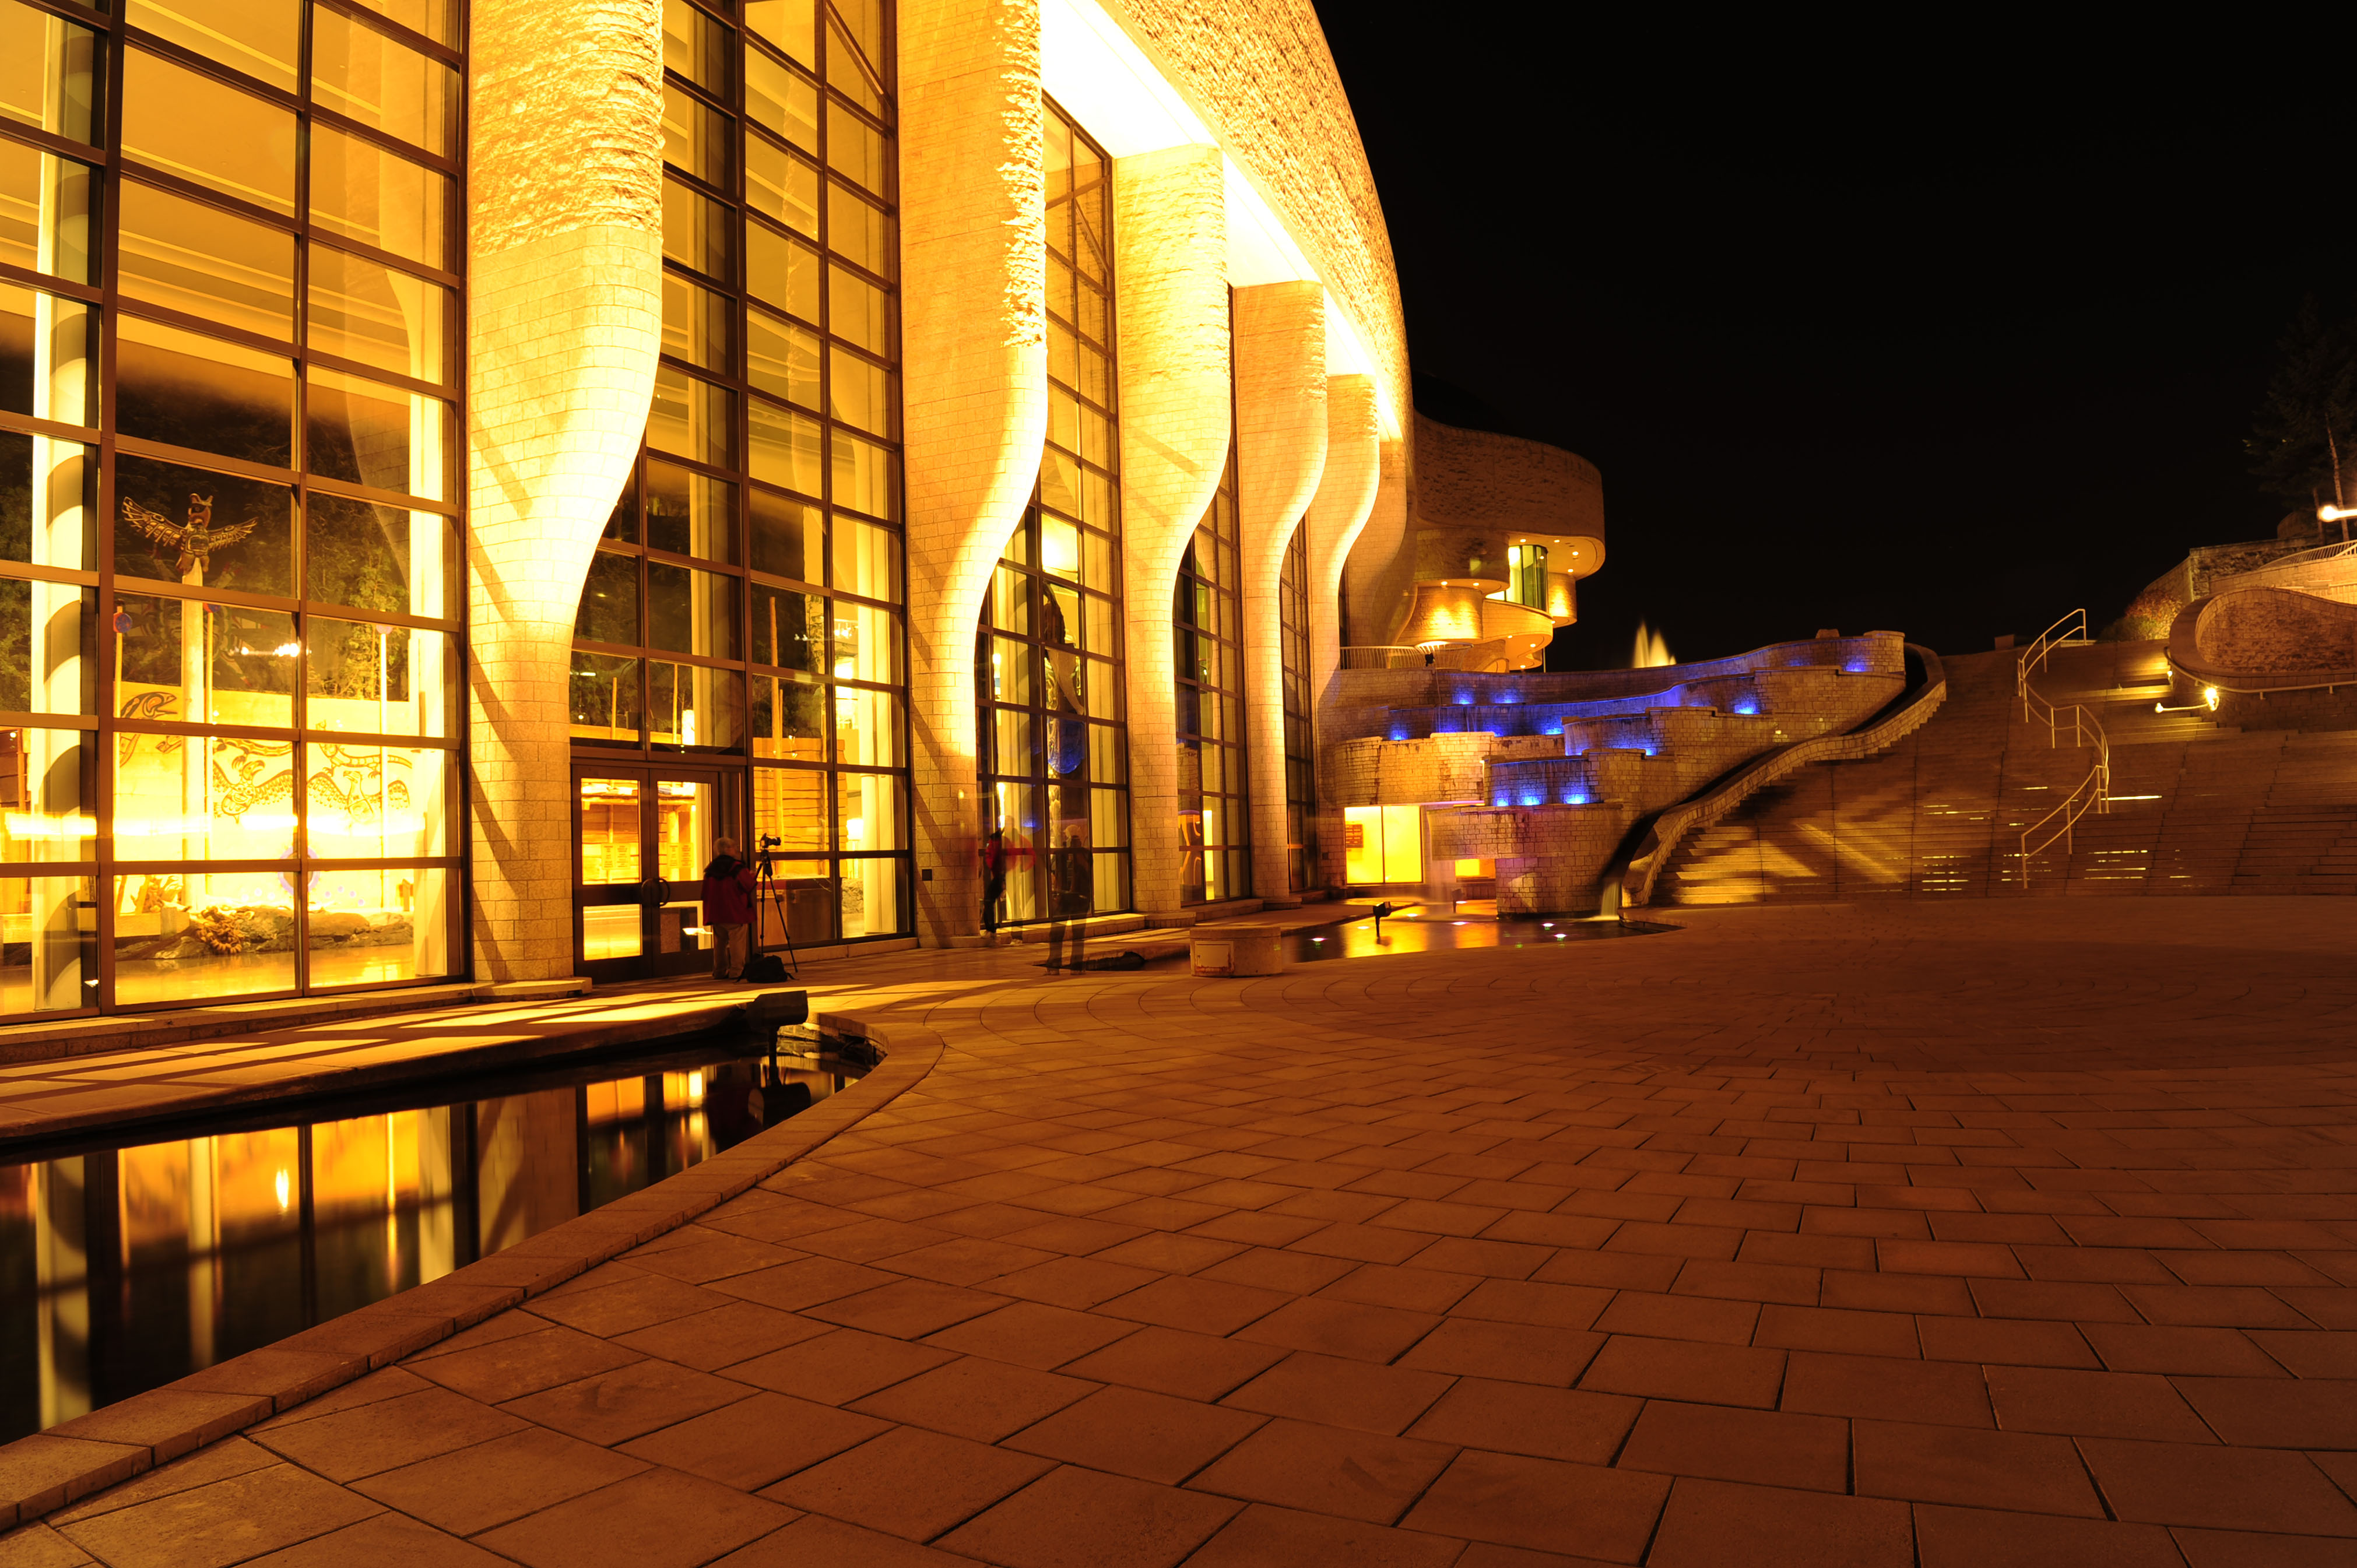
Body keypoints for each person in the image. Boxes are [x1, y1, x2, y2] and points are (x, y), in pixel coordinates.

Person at [702, 838, 757, 981]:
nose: (736, 849)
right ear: (727, 849)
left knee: (720, 943)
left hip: (716, 911)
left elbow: (705, 892)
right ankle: (736, 971)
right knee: (737, 941)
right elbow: (748, 885)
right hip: (735, 911)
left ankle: (719, 971)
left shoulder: (710, 869)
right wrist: (752, 876)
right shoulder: (737, 867)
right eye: (733, 847)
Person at [981, 827, 1008, 934]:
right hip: (999, 877)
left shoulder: (996, 845)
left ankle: (991, 928)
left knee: (988, 901)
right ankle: (991, 928)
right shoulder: (998, 845)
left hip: (998, 877)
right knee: (988, 901)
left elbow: (995, 861)